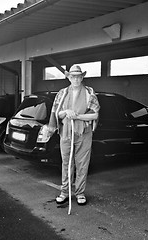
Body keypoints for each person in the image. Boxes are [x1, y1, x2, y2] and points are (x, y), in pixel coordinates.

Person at [47, 65, 100, 206]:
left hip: (84, 133)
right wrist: (66, 112)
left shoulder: (89, 92)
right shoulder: (62, 93)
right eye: (73, 76)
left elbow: (95, 114)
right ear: (68, 77)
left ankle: (80, 193)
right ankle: (65, 192)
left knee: (82, 164)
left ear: (82, 77)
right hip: (66, 133)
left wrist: (77, 116)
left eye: (78, 76)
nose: (75, 79)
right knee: (66, 163)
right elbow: (57, 113)